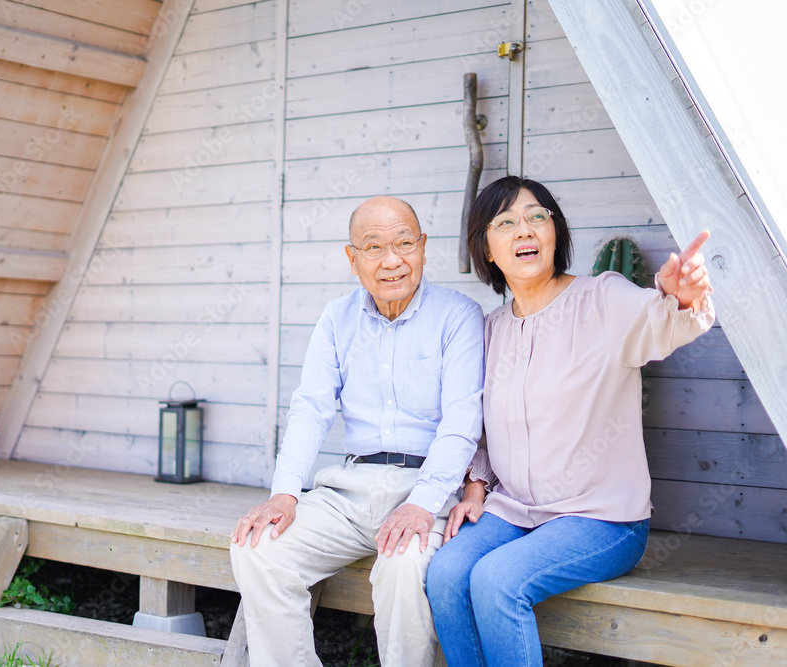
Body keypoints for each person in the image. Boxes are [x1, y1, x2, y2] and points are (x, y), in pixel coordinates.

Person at [425, 176, 715, 666]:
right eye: (507, 222)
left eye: (538, 217)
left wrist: (678, 299)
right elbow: (474, 421)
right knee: (447, 573)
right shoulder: (489, 331)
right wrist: (476, 484)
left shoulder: (602, 299)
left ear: (555, 233)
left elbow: (658, 323)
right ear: (487, 250)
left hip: (601, 518)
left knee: (497, 581)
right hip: (515, 510)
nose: (526, 230)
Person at [229, 196, 486, 667]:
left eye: (405, 243)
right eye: (374, 247)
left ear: (424, 247)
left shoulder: (458, 316)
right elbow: (310, 409)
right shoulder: (336, 318)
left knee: (404, 567)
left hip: (427, 486)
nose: (392, 261)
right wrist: (284, 494)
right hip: (349, 489)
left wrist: (421, 504)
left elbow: (462, 424)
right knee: (258, 547)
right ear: (353, 258)